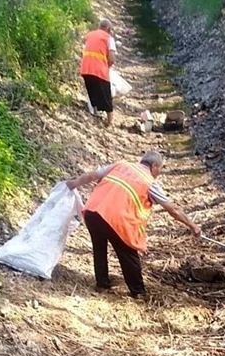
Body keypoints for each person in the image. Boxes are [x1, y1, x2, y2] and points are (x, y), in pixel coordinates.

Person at [67, 151, 201, 299]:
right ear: (154, 166)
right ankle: (138, 292)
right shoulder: (149, 182)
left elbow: (92, 175)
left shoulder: (120, 165)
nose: (159, 172)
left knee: (99, 248)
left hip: (93, 211)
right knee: (128, 254)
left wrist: (72, 184)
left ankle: (102, 285)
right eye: (160, 168)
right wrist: (192, 225)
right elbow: (173, 209)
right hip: (116, 220)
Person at [80, 17, 116, 127]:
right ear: (108, 29)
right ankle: (110, 122)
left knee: (93, 93)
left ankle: (94, 115)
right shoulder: (109, 38)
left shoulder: (90, 35)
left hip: (86, 69)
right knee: (106, 96)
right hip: (99, 70)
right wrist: (107, 67)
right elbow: (111, 59)